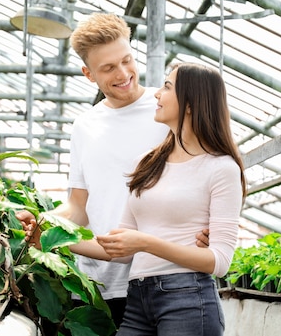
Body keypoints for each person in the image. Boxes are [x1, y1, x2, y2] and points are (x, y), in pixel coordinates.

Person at [17, 13, 209, 329]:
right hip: (98, 284)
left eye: (127, 60)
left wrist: (212, 225)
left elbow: (212, 173)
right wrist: (44, 224)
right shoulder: (84, 126)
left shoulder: (168, 109)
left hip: (164, 276)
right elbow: (79, 205)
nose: (123, 73)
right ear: (88, 74)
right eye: (108, 68)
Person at [69, 62, 246, 335]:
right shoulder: (147, 163)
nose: (156, 94)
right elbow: (118, 247)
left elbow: (219, 261)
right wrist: (51, 239)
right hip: (139, 298)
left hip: (188, 297)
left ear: (190, 103)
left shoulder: (221, 168)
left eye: (167, 87)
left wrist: (146, 242)